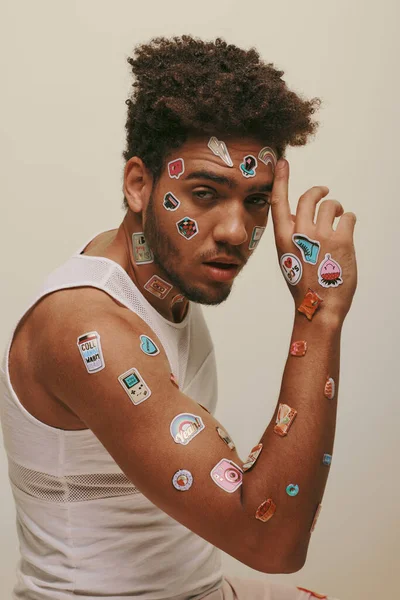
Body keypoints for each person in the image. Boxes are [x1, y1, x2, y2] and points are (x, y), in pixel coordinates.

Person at [0, 35, 357, 600]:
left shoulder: (155, 275)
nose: (237, 232)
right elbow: (272, 543)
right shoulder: (89, 330)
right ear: (139, 184)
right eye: (204, 193)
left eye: (256, 201)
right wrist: (320, 313)